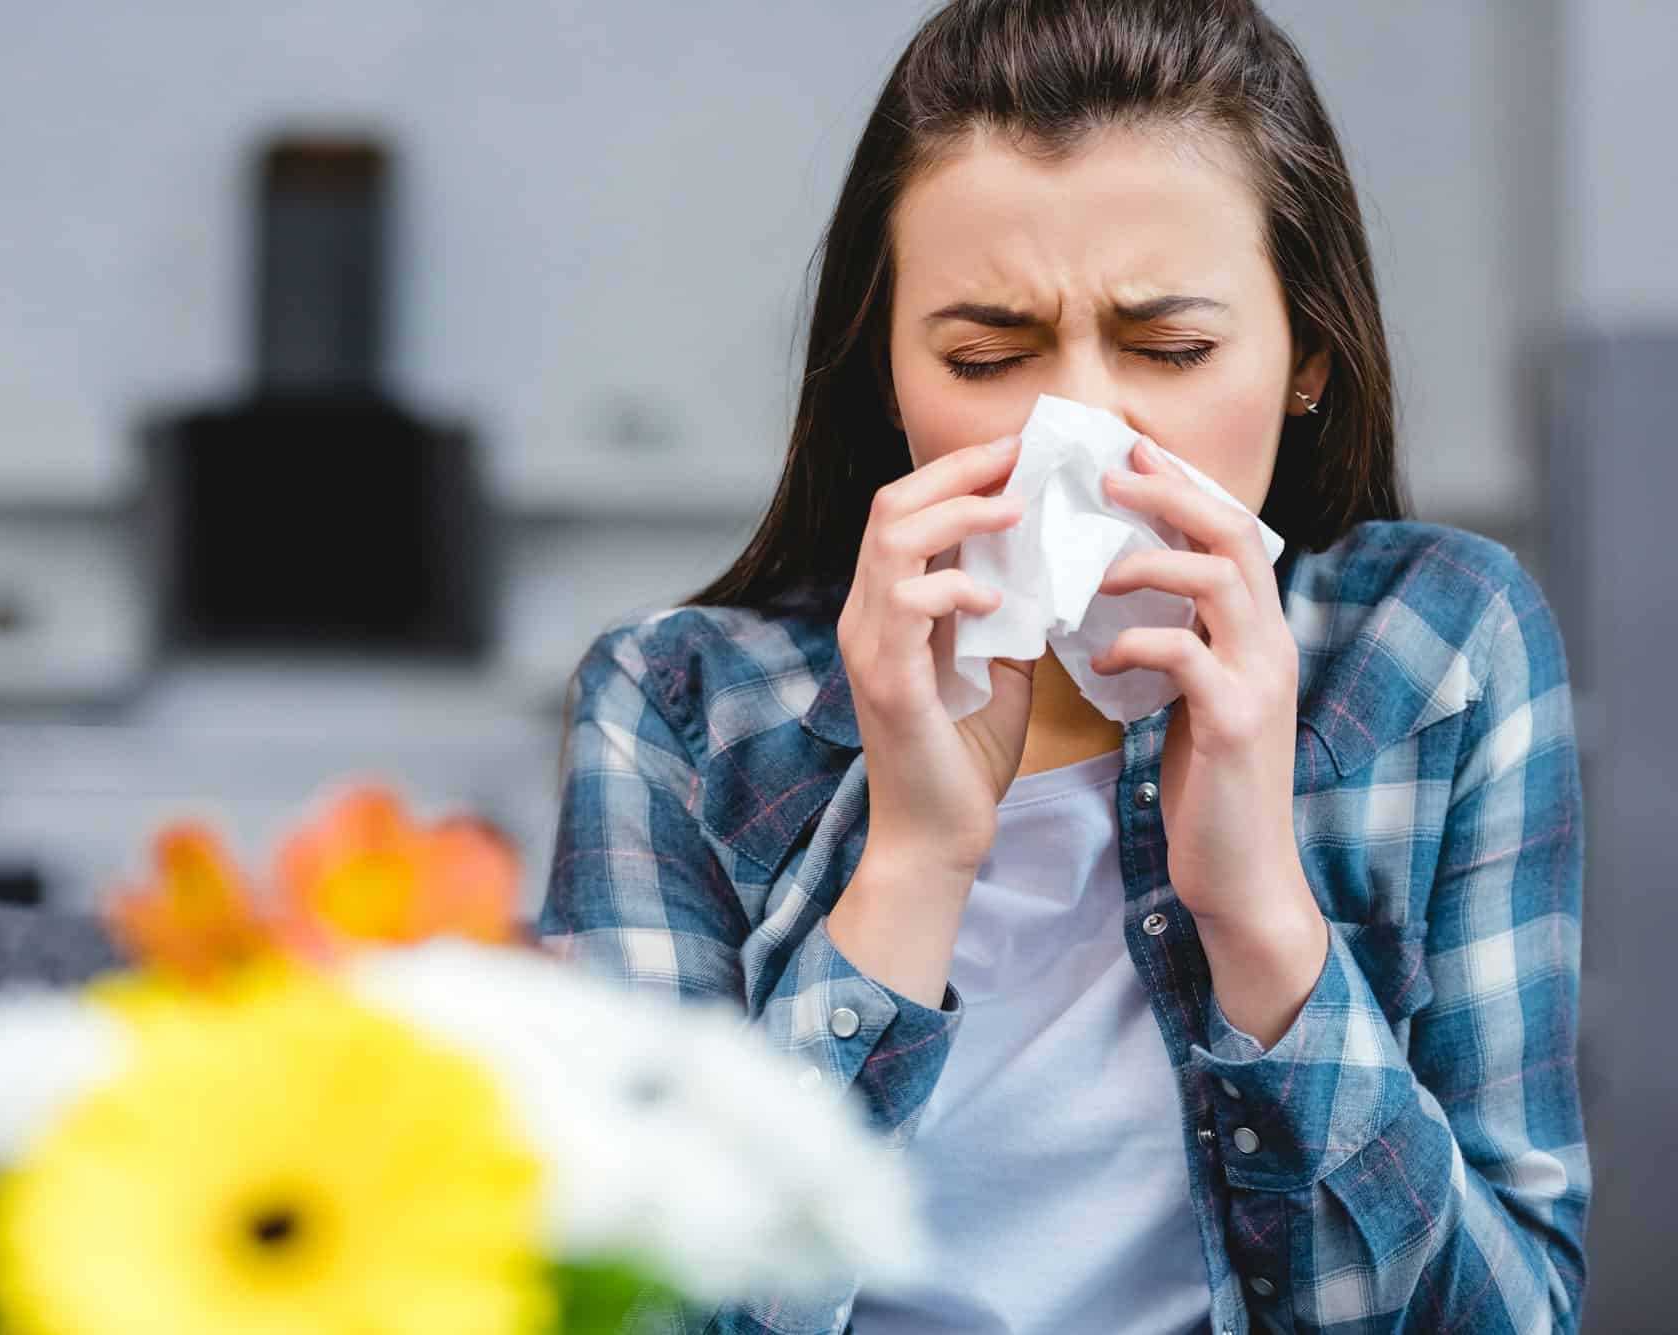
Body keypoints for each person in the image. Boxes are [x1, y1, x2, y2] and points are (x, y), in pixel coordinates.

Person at [537, 1, 1589, 1331]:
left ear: (1305, 361)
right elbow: (639, 1308)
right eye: (986, 357)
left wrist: (1261, 912)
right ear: (889, 381)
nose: (1079, 428)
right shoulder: (676, 709)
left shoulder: (1435, 646)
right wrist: (916, 857)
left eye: (1173, 351)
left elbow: (1517, 1315)